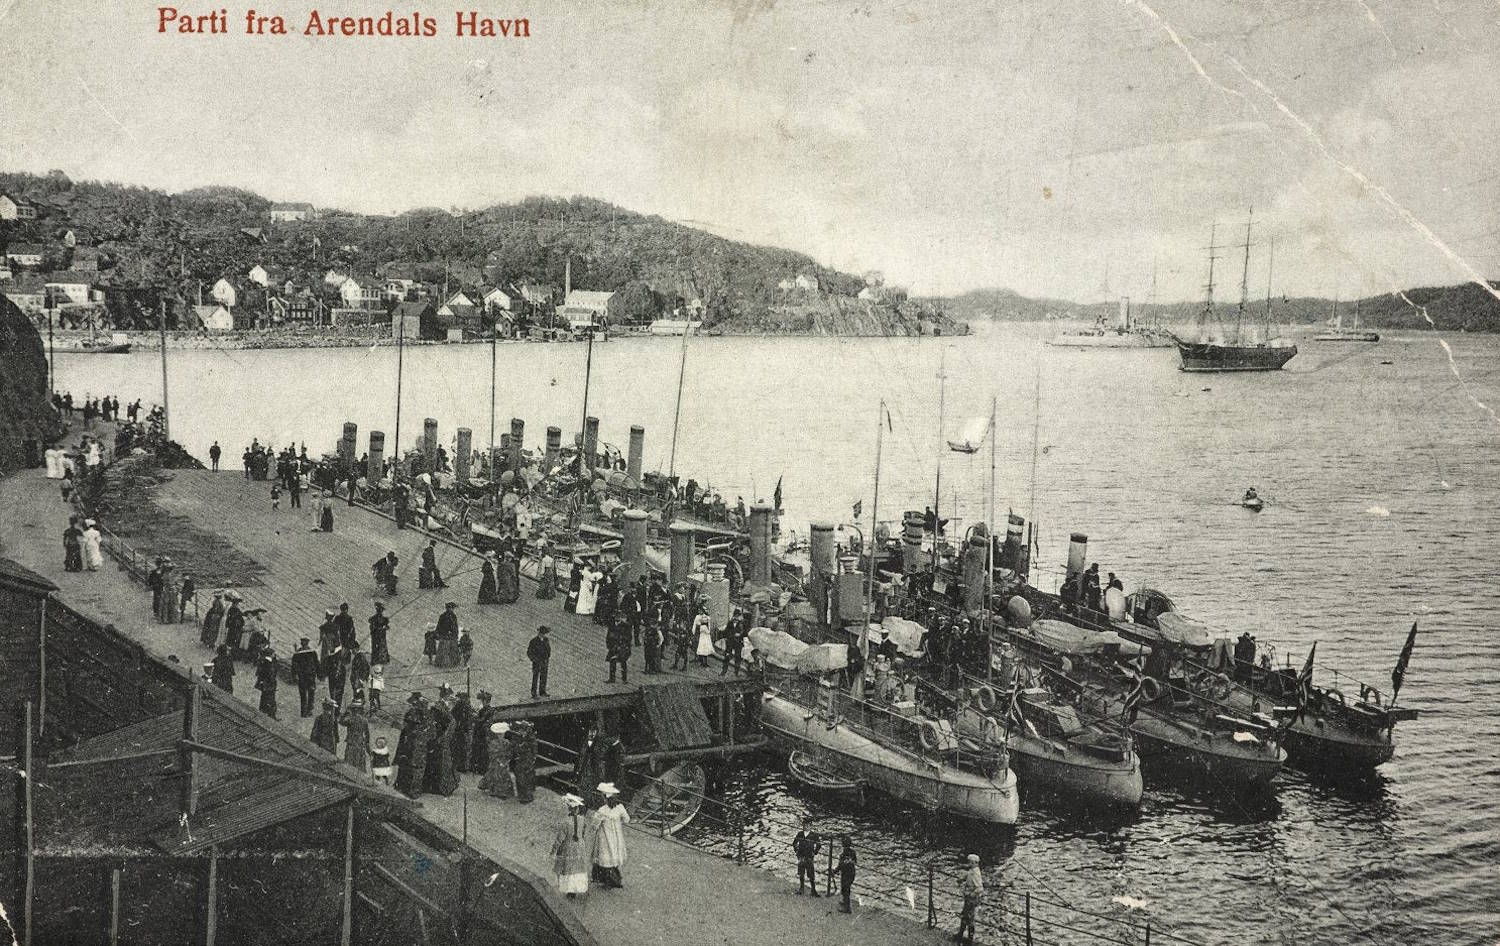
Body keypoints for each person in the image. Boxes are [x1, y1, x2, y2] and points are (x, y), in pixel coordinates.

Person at [552, 794, 592, 898]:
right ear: (577, 809)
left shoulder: (565, 822)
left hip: (569, 846)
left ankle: (570, 890)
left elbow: (560, 838)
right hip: (580, 846)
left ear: (569, 808)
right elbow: (583, 833)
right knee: (578, 867)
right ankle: (577, 887)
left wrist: (554, 850)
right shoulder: (583, 820)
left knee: (568, 868)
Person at [591, 783, 630, 888]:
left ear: (605, 798)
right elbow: (627, 819)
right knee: (614, 856)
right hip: (617, 838)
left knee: (605, 857)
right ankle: (614, 879)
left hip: (605, 838)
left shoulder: (602, 811)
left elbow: (594, 825)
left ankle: (606, 880)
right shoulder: (620, 808)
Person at [394, 694, 431, 798]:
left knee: (415, 768)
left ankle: (412, 790)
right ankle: (406, 788)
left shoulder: (420, 715)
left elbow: (409, 728)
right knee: (409, 766)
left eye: (414, 704)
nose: (412, 706)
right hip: (412, 745)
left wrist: (400, 727)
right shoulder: (415, 713)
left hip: (416, 745)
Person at [480, 721, 514, 798]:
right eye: (499, 734)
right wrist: (498, 760)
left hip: (504, 761)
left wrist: (507, 760)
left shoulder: (507, 742)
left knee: (504, 775)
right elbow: (492, 752)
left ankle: (504, 791)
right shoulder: (493, 743)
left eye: (502, 734)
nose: (501, 736)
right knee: (495, 774)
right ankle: (494, 790)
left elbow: (510, 752)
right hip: (496, 761)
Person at [957, 853, 984, 945]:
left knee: (969, 918)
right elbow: (969, 878)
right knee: (965, 916)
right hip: (969, 898)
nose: (969, 864)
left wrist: (971, 894)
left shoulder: (975, 873)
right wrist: (963, 878)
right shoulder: (973, 871)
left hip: (971, 899)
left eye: (970, 862)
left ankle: (969, 939)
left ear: (975, 863)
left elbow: (979, 888)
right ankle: (962, 935)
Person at [291, 637, 320, 717]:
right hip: (304, 676)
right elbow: (294, 665)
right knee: (305, 694)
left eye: (304, 642)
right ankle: (305, 711)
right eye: (303, 642)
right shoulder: (299, 653)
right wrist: (294, 675)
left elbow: (316, 663)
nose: (303, 644)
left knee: (309, 694)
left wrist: (319, 674)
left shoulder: (311, 652)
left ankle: (308, 711)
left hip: (309, 676)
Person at [793, 819, 821, 896]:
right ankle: (801, 889)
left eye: (808, 825)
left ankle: (813, 890)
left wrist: (814, 852)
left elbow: (819, 845)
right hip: (801, 856)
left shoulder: (814, 835)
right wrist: (797, 851)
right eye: (804, 825)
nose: (806, 827)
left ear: (811, 826)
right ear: (802, 825)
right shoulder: (800, 834)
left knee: (811, 874)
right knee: (801, 873)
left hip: (809, 856)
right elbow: (794, 843)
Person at [342, 701, 371, 774]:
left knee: (349, 765)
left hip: (351, 744)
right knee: (359, 766)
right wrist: (368, 748)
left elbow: (341, 721)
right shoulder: (364, 720)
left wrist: (346, 713)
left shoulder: (350, 719)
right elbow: (367, 735)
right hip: (360, 745)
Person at [255, 646, 279, 719]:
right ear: (270, 654)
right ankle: (271, 715)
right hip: (269, 684)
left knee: (265, 698)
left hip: (266, 684)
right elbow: (270, 674)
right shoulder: (268, 663)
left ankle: (263, 711)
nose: (274, 655)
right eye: (273, 654)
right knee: (270, 699)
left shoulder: (265, 661)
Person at [528, 625, 551, 698]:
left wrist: (547, 658)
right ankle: (534, 693)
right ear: (539, 633)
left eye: (544, 633)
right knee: (535, 677)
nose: (543, 635)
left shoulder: (546, 640)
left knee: (543, 677)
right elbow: (529, 652)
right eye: (542, 633)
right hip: (536, 662)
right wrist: (534, 659)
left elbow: (548, 650)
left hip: (544, 661)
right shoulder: (533, 641)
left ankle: (542, 692)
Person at [606, 617, 631, 684]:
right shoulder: (611, 625)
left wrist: (625, 646)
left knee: (623, 662)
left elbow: (628, 638)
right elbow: (608, 636)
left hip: (622, 647)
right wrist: (609, 646)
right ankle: (612, 678)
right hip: (613, 647)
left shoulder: (625, 626)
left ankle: (624, 679)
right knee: (612, 662)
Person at [835, 836, 857, 913]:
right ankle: (845, 902)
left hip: (845, 874)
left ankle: (847, 908)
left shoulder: (842, 855)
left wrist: (834, 871)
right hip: (851, 874)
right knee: (846, 889)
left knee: (845, 890)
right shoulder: (853, 852)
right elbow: (855, 861)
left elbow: (840, 866)